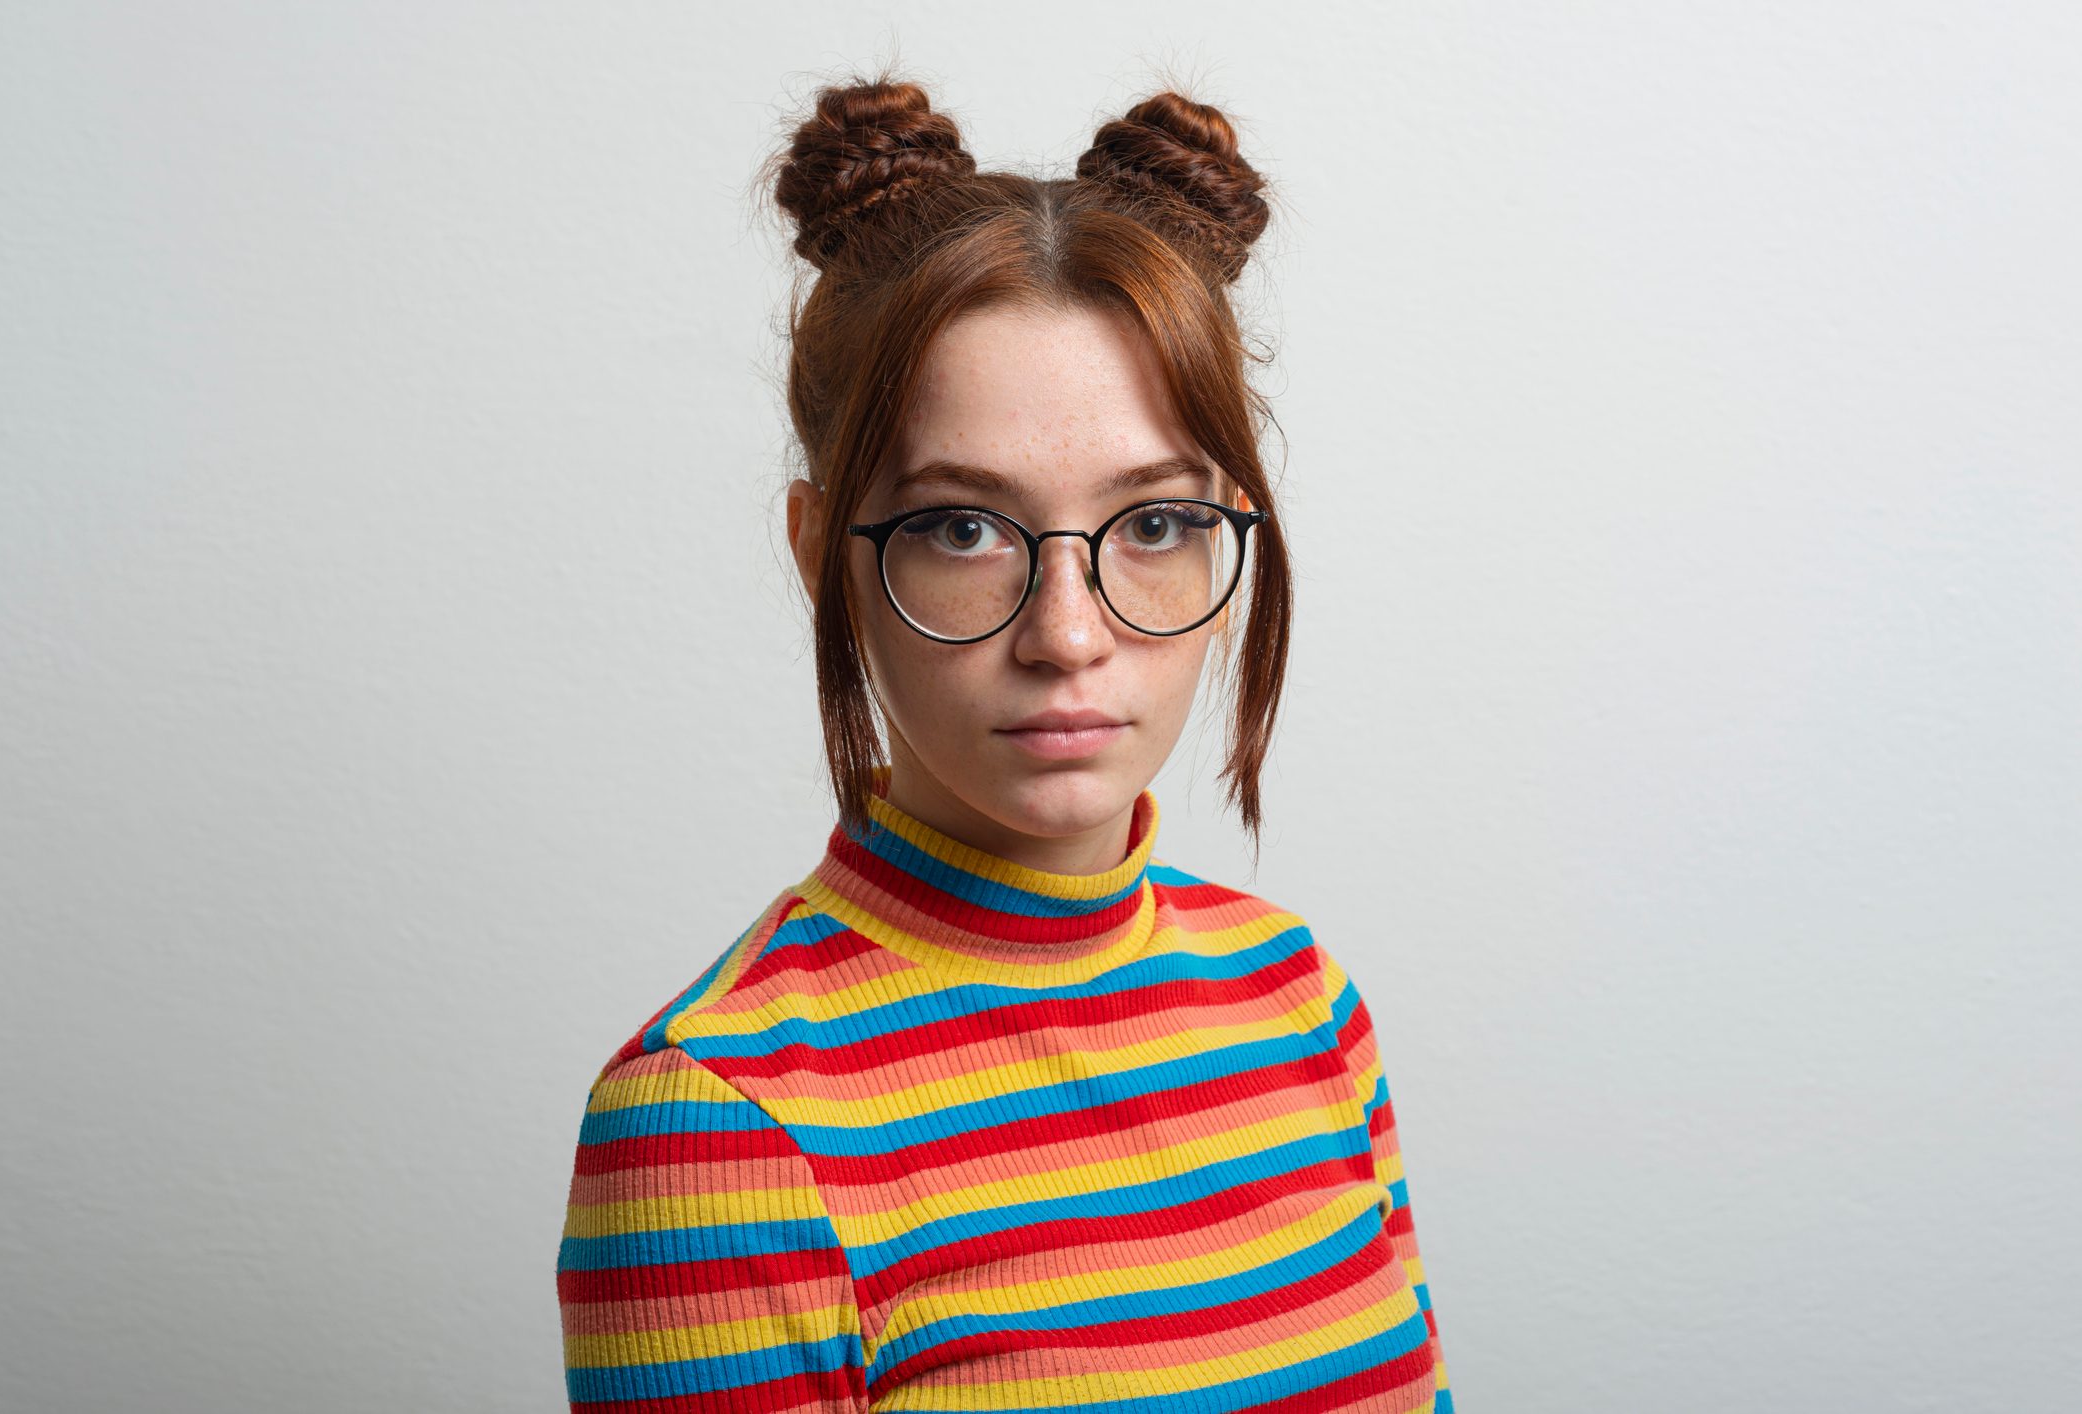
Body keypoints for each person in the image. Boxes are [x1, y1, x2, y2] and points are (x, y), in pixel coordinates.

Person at [554, 69, 1454, 1414]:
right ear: (823, 554)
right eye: (963, 527)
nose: (1070, 632)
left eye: (1153, 524)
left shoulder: (1306, 1002)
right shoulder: (718, 1125)